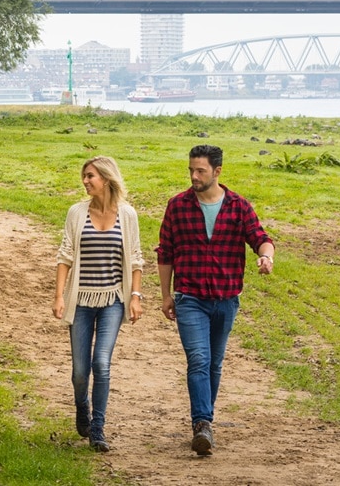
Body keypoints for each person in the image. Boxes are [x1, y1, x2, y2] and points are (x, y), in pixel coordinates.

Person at [157, 144, 274, 456]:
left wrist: (266, 257)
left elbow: (261, 239)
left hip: (226, 299)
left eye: (201, 171)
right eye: (191, 170)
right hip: (190, 297)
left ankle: (205, 420)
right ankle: (202, 424)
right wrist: (166, 295)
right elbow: (166, 252)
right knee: (198, 358)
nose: (194, 176)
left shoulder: (239, 206)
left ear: (217, 171)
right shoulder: (177, 206)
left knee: (214, 363)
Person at [53, 156, 145, 452]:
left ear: (106, 178)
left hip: (112, 300)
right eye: (84, 176)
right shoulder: (77, 213)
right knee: (80, 372)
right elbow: (65, 255)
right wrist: (59, 296)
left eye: (90, 176)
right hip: (80, 299)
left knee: (101, 363)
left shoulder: (127, 215)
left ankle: (98, 428)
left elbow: (136, 259)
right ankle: (82, 406)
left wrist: (135, 297)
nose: (85, 181)